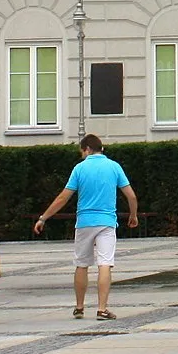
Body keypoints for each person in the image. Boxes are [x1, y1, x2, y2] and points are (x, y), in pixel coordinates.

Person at [33, 134, 139, 321]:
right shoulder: (114, 167)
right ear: (101, 149)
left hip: (84, 223)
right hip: (106, 222)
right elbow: (131, 196)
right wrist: (133, 215)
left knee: (81, 264)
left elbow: (63, 198)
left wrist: (44, 218)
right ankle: (102, 309)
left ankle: (80, 307)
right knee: (105, 264)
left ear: (87, 149)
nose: (81, 155)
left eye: (81, 152)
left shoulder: (79, 169)